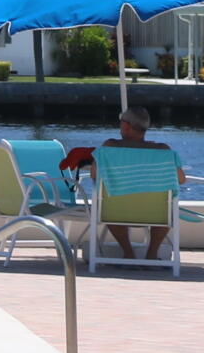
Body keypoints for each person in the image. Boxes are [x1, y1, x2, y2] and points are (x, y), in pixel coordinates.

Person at [61, 109, 181, 260]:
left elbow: (95, 176)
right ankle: (152, 254)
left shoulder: (110, 148)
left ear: (125, 125)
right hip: (156, 213)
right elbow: (180, 179)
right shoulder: (163, 151)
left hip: (116, 212)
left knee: (108, 203)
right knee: (168, 206)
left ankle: (129, 253)